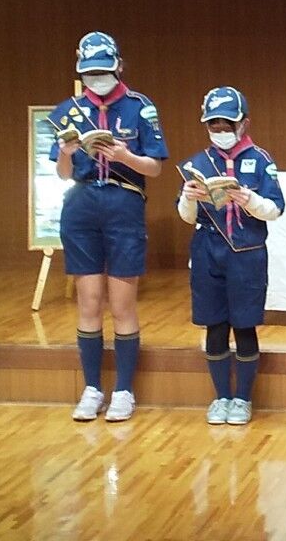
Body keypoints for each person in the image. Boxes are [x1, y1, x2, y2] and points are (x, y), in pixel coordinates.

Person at [48, 32, 168, 422]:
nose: (96, 79)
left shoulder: (139, 107)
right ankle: (92, 388)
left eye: (102, 71)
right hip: (81, 205)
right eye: (89, 73)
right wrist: (66, 154)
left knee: (121, 304)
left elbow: (155, 167)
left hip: (123, 203)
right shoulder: (68, 110)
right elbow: (63, 174)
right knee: (88, 303)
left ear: (118, 66)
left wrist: (125, 156)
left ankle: (124, 390)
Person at [177, 86, 285, 426]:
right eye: (214, 125)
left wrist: (249, 200)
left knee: (244, 324)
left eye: (227, 125)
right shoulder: (197, 162)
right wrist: (189, 197)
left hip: (246, 252)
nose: (221, 131)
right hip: (207, 250)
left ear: (244, 123)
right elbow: (187, 217)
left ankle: (243, 398)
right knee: (215, 325)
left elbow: (275, 209)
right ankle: (221, 395)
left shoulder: (261, 159)